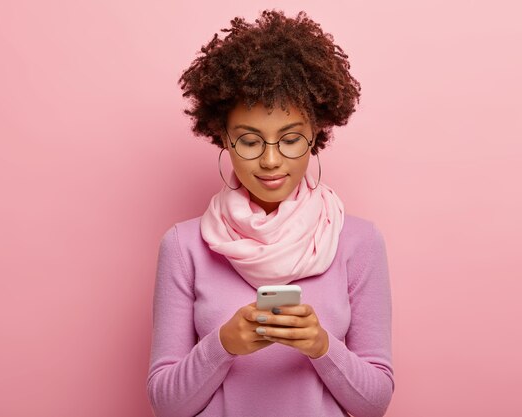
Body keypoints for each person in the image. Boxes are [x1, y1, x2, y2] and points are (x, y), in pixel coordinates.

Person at [147, 10, 394, 417]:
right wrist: (223, 344)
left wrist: (321, 346)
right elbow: (166, 405)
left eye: (291, 139)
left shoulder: (359, 242)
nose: (271, 161)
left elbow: (374, 404)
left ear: (316, 135)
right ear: (222, 137)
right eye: (249, 141)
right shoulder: (183, 245)